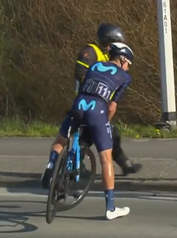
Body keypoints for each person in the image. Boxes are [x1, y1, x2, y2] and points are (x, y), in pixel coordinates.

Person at [40, 23, 138, 189]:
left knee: (109, 135)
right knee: (90, 135)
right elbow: (80, 73)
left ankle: (122, 164)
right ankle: (72, 166)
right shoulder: (91, 51)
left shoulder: (108, 57)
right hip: (88, 101)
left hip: (99, 103)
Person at [62, 42, 134, 220]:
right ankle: (110, 207)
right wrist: (104, 123)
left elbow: (83, 86)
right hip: (98, 110)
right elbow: (111, 107)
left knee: (62, 139)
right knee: (106, 158)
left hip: (79, 105)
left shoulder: (94, 65)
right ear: (123, 58)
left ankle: (54, 173)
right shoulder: (124, 77)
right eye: (128, 62)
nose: (128, 66)